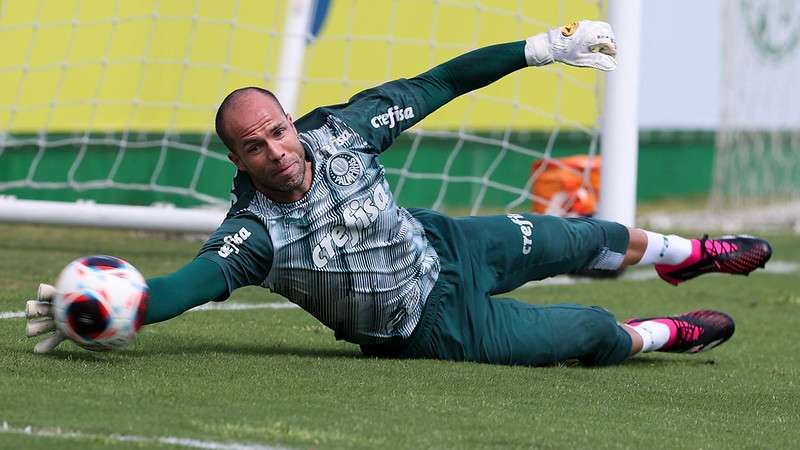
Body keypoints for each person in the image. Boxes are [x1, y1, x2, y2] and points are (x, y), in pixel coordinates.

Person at [26, 21, 772, 366]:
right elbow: (179, 286)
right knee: (586, 331)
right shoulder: (251, 237)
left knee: (587, 237)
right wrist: (104, 306)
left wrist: (543, 50)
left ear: (291, 122)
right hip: (425, 328)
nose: (278, 152)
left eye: (279, 132)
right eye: (256, 147)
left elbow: (438, 83)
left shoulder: (343, 131)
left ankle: (686, 253)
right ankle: (665, 333)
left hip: (446, 243)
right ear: (237, 159)